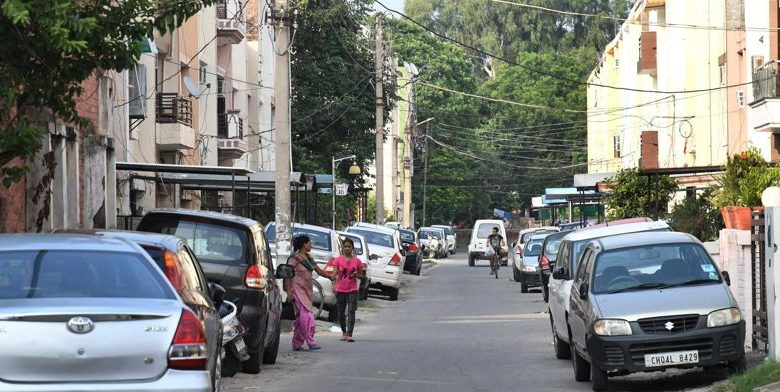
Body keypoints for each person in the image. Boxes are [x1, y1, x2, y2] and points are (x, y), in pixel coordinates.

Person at [284, 235, 334, 351]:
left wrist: (330, 277)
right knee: (307, 317)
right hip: (297, 290)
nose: (311, 245)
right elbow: (287, 275)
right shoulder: (294, 259)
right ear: (304, 244)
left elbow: (318, 270)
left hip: (307, 291)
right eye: (309, 243)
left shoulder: (308, 258)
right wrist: (289, 293)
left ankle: (297, 344)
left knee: (301, 319)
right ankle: (311, 342)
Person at [332, 238, 365, 342]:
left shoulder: (357, 261)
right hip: (340, 289)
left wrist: (357, 275)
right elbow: (334, 274)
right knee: (341, 312)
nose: (347, 248)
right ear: (342, 248)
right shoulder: (337, 260)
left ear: (352, 248)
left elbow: (361, 275)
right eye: (345, 246)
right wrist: (333, 285)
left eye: (349, 246)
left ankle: (350, 334)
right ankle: (344, 332)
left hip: (352, 289)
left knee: (351, 311)